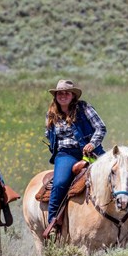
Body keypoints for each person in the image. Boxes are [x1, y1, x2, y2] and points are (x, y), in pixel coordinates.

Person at [45, 79, 106, 239]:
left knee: (115, 173)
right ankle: (52, 222)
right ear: (56, 95)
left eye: (66, 93)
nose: (63, 95)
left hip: (90, 151)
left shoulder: (84, 108)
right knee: (59, 183)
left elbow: (101, 127)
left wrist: (92, 144)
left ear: (73, 95)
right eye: (60, 93)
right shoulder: (51, 114)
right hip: (67, 154)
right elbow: (49, 134)